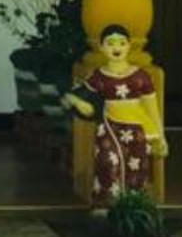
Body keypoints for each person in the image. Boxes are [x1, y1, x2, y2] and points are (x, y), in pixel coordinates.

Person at [63, 23, 168, 210]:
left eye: (121, 43)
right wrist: (77, 102)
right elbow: (76, 96)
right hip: (110, 128)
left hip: (137, 131)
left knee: (136, 169)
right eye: (110, 43)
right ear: (102, 47)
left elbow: (152, 109)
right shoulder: (98, 76)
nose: (116, 48)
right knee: (107, 163)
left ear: (129, 45)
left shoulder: (141, 77)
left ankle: (133, 211)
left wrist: (161, 136)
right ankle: (106, 207)